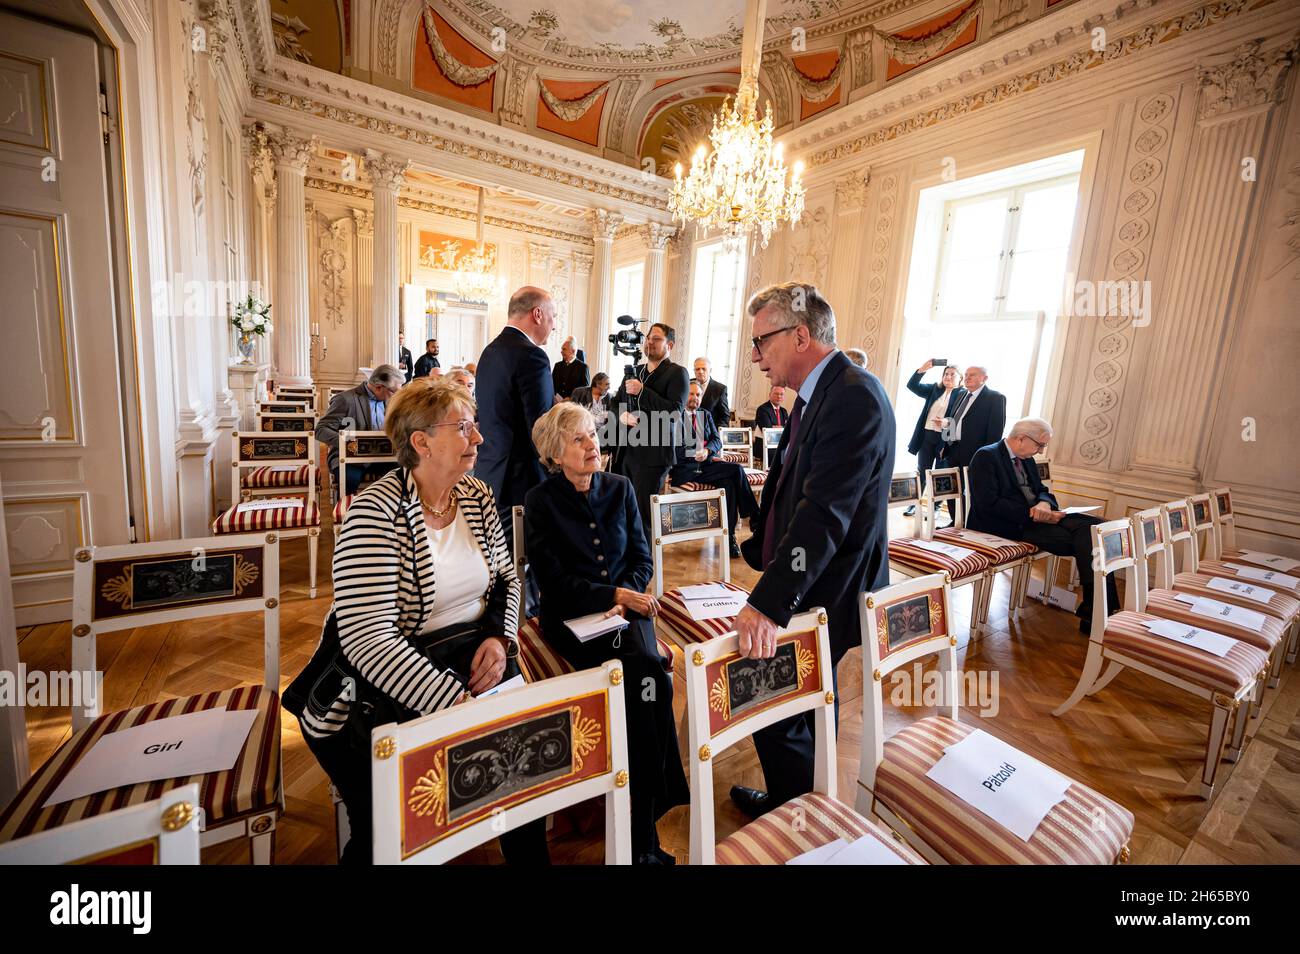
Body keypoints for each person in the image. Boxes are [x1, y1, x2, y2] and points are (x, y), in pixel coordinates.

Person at [284, 379, 547, 865]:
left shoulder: (475, 495)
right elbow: (369, 641)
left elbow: (509, 579)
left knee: (524, 779)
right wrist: (456, 703)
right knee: (395, 825)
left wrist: (499, 637)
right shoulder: (374, 512)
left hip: (477, 656)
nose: (479, 439)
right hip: (397, 676)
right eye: (464, 427)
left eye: (475, 426)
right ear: (421, 442)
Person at [731, 282, 895, 819]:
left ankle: (799, 821)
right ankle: (796, 803)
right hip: (807, 577)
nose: (756, 357)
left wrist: (769, 601)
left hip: (827, 584)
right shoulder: (822, 392)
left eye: (763, 342)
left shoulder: (853, 395)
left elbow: (827, 513)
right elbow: (793, 484)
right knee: (808, 698)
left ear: (800, 335)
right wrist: (761, 546)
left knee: (772, 695)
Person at [525, 403, 689, 864]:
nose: (592, 444)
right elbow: (554, 584)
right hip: (572, 619)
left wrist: (626, 597)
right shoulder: (541, 502)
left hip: (627, 613)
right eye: (579, 439)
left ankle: (639, 826)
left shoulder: (620, 488)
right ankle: (646, 830)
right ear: (556, 453)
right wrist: (614, 594)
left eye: (592, 435)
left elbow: (642, 558)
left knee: (646, 680)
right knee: (649, 677)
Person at [967, 418, 1119, 635]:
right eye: (1040, 445)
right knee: (1091, 538)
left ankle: (1096, 610)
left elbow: (1041, 489)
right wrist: (1032, 514)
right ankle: (1101, 611)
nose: (1041, 451)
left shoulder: (1026, 458)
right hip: (1004, 525)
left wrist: (1044, 503)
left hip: (1037, 517)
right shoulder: (986, 456)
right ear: (1021, 438)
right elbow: (988, 504)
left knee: (1098, 528)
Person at [473, 286, 556, 547]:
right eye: (553, 316)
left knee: (494, 557)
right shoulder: (532, 356)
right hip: (522, 481)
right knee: (522, 567)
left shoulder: (489, 351)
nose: (554, 326)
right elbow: (541, 429)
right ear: (538, 314)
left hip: (488, 474)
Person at [610, 323, 690, 536]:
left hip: (654, 454)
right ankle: (627, 559)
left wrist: (643, 391)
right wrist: (622, 415)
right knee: (624, 510)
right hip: (628, 451)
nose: (649, 342)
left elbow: (674, 412)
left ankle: (645, 566)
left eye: (656, 339)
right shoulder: (635, 371)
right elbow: (616, 403)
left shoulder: (677, 373)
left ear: (669, 344)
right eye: (648, 338)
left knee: (643, 514)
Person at [668, 381, 759, 557]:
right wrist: (697, 452)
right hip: (686, 470)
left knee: (729, 485)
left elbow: (717, 440)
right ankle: (754, 516)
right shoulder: (676, 416)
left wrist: (708, 450)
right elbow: (674, 449)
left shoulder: (706, 415)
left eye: (698, 395)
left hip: (707, 465)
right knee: (736, 470)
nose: (695, 398)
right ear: (685, 394)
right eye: (692, 394)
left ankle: (730, 536)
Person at [316, 365, 404, 495]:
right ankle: (349, 512)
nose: (396, 395)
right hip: (351, 458)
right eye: (394, 391)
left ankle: (389, 511)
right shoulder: (346, 399)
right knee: (349, 480)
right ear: (379, 387)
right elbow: (321, 429)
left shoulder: (390, 401)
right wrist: (348, 443)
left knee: (406, 474)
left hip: (383, 456)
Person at [937, 365, 1005, 521]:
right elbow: (953, 421)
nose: (967, 378)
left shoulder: (995, 398)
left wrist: (986, 456)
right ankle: (956, 522)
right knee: (952, 489)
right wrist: (945, 444)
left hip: (976, 454)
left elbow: (995, 433)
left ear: (984, 378)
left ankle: (970, 524)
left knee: (973, 491)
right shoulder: (961, 394)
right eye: (966, 375)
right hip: (953, 450)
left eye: (972, 375)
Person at [904, 360, 965, 516]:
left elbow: (962, 420)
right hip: (926, 436)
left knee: (940, 473)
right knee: (922, 470)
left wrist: (945, 422)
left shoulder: (963, 394)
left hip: (945, 439)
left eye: (952, 374)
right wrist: (922, 369)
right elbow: (912, 386)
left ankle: (936, 508)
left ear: (960, 378)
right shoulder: (934, 389)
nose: (948, 377)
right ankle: (914, 504)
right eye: (946, 374)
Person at [753, 384, 789, 462]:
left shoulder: (784, 411)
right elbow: (768, 430)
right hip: (765, 446)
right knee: (781, 457)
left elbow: (788, 429)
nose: (779, 396)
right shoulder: (762, 409)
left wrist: (776, 427)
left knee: (793, 455)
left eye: (781, 394)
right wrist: (782, 428)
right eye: (776, 394)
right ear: (770, 395)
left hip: (779, 444)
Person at [692, 357, 731, 429]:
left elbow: (725, 417)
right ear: (694, 371)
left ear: (710, 370)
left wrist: (714, 434)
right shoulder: (687, 384)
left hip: (708, 434)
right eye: (697, 369)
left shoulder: (720, 389)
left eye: (704, 369)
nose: (700, 371)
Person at [551, 335, 590, 403]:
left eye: (564, 349)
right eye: (561, 349)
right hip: (556, 404)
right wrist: (553, 396)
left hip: (573, 406)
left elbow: (585, 391)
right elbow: (551, 384)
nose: (561, 352)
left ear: (573, 351)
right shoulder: (557, 366)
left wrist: (571, 398)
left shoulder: (583, 368)